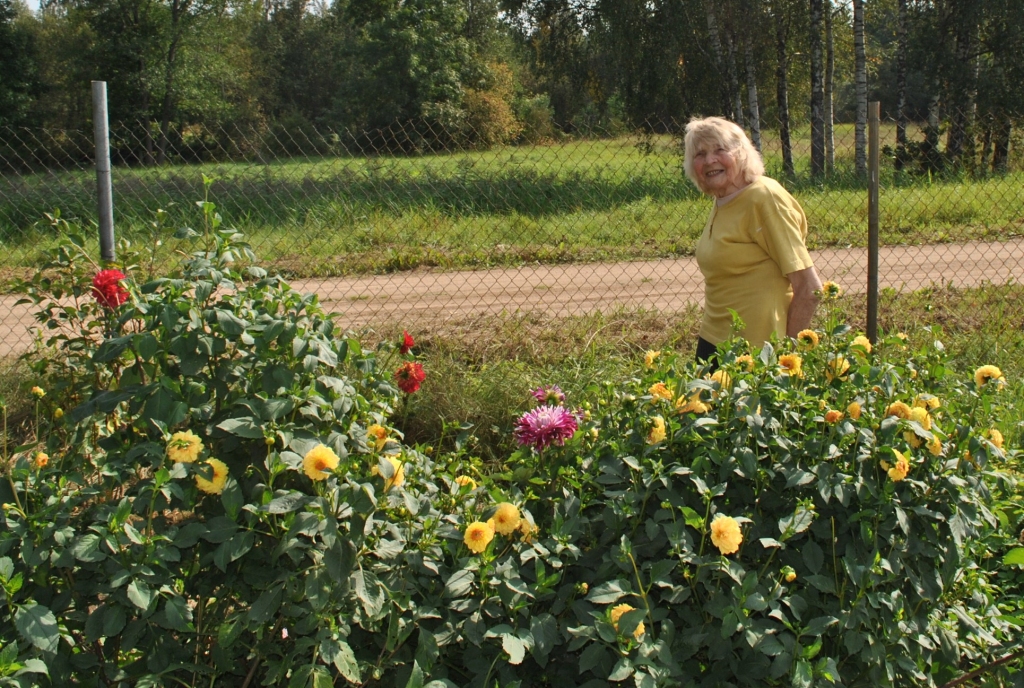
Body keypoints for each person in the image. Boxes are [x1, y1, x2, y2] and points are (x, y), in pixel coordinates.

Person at [683, 116, 822, 364]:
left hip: (756, 353)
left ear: (742, 153)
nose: (710, 160)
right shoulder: (724, 198)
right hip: (715, 341)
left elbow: (809, 288)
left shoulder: (764, 198)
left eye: (720, 150)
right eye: (700, 154)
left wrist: (786, 358)